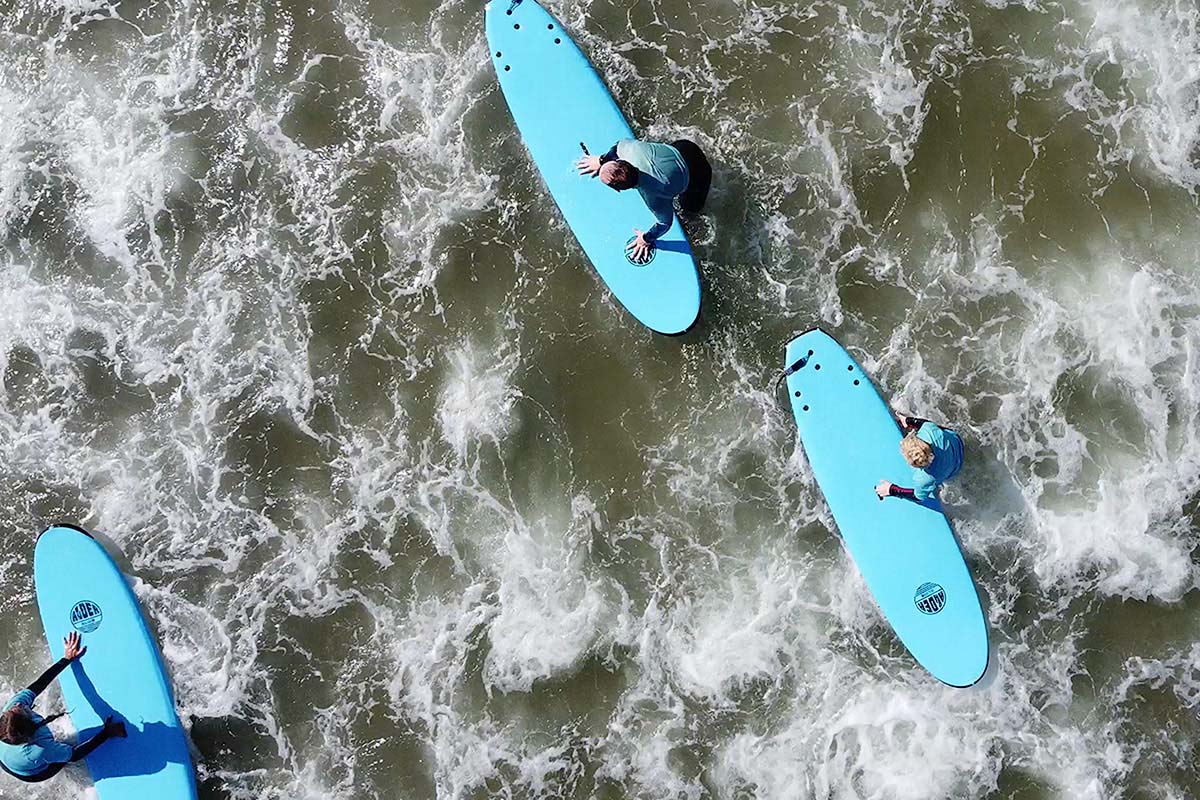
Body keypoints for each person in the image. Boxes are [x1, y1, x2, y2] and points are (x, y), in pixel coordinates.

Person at [0, 631, 125, 783]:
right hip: (31, 773)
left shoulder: (10, 712)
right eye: (23, 709)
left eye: (16, 707)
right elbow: (75, 755)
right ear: (29, 724)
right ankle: (52, 759)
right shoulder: (39, 750)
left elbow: (40, 683)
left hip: (10, 753)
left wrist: (66, 659)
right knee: (63, 755)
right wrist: (106, 733)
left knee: (53, 751)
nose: (19, 704)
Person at [577, 137, 712, 263]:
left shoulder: (652, 196)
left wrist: (646, 239)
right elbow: (616, 147)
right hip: (685, 147)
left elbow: (665, 223)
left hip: (698, 175)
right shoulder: (631, 150)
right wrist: (601, 160)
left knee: (690, 210)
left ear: (620, 190)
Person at [875, 413, 964, 501]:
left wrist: (892, 490)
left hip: (954, 470)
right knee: (939, 429)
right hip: (957, 441)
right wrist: (908, 421)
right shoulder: (930, 432)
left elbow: (918, 497)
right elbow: (924, 424)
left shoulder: (924, 478)